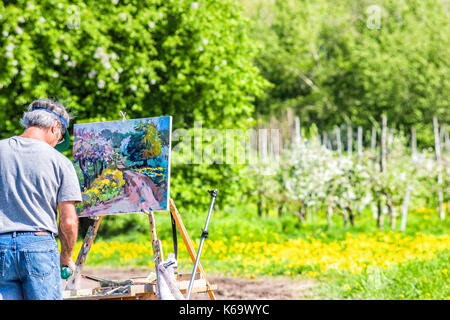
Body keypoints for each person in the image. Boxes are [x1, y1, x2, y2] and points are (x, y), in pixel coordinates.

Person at [0, 99, 82, 300]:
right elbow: (69, 221)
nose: (57, 143)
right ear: (55, 127)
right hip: (39, 246)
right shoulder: (61, 162)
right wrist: (66, 257)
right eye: (60, 137)